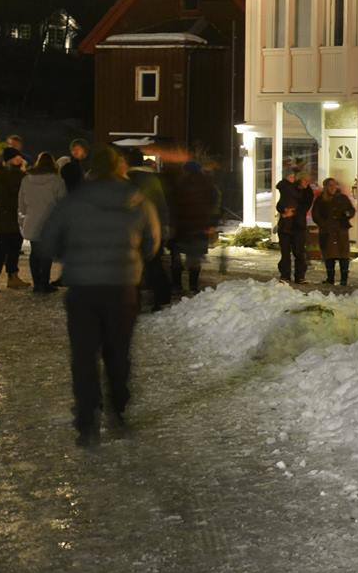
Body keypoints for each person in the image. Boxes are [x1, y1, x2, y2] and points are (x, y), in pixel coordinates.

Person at [37, 146, 160, 447]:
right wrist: (133, 260)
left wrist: (71, 256)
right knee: (118, 351)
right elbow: (152, 242)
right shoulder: (137, 200)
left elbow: (47, 241)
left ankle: (87, 420)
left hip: (83, 289)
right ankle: (118, 409)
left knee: (84, 355)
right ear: (119, 168)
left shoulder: (74, 200)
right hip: (122, 287)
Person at [125, 151, 174, 310]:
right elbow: (161, 204)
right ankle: (162, 298)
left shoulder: (129, 180)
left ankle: (135, 302)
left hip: (136, 229)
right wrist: (164, 225)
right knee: (154, 264)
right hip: (154, 228)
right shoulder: (152, 178)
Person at [169, 157, 220, 294]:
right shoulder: (208, 185)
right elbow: (215, 205)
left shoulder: (178, 184)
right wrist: (212, 223)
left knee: (176, 259)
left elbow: (172, 206)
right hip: (200, 228)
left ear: (185, 171)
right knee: (195, 259)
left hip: (181, 228)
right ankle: (193, 286)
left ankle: (177, 285)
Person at [19, 152, 67, 293]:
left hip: (32, 220)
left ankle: (37, 283)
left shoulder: (26, 180)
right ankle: (44, 283)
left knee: (35, 252)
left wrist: (24, 215)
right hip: (50, 222)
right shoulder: (57, 181)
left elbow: (21, 203)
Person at [0, 147, 26, 292]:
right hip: (5, 219)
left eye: (20, 157)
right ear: (9, 159)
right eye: (16, 157)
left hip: (14, 219)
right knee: (0, 250)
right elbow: (0, 199)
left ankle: (13, 277)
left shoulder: (21, 175)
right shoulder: (0, 177)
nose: (20, 159)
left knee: (14, 249)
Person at [311, 177, 355, 285]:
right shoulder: (321, 200)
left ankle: (344, 280)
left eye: (334, 185)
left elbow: (351, 210)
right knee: (329, 254)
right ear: (326, 187)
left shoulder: (342, 198)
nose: (333, 188)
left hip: (341, 230)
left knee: (343, 255)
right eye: (330, 185)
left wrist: (347, 214)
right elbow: (315, 214)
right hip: (327, 231)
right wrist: (323, 224)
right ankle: (330, 278)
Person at [273, 166, 310, 282]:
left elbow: (304, 207)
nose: (307, 182)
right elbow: (280, 204)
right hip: (286, 225)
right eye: (304, 180)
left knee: (299, 252)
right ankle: (285, 275)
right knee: (285, 252)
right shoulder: (288, 188)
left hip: (298, 225)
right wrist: (284, 211)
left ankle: (299, 276)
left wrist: (290, 212)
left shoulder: (306, 192)